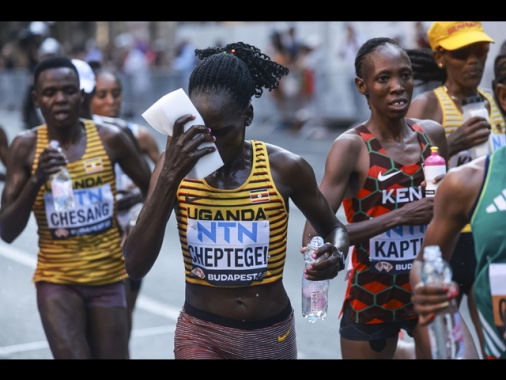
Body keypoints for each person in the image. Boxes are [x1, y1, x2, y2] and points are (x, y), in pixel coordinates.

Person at [122, 42, 350, 360]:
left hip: (272, 334)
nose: (210, 145)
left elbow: (335, 230)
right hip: (201, 333)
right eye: (201, 132)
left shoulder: (285, 167)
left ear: (248, 115)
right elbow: (134, 265)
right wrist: (169, 178)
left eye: (222, 133)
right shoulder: (173, 166)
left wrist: (335, 255)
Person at [301, 37, 449, 359]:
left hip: (427, 292)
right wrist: (400, 216)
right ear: (362, 86)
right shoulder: (351, 147)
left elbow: (447, 213)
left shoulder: (432, 136)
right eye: (384, 78)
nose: (398, 86)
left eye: (405, 75)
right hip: (372, 298)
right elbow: (315, 234)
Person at [0, 56, 152, 359]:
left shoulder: (112, 139)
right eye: (50, 92)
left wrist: (134, 223)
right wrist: (37, 179)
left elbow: (154, 191)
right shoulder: (25, 147)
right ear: (36, 99)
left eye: (69, 91)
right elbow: (6, 231)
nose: (60, 99)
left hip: (109, 278)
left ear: (81, 95)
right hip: (57, 281)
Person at [406, 21, 506, 357]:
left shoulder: (496, 102)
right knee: (442, 343)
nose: (473, 62)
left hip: (486, 233)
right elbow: (406, 176)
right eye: (462, 54)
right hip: (446, 235)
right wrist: (453, 142)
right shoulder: (428, 106)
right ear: (440, 58)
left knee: (492, 336)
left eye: (479, 51)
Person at [88, 63, 160, 345]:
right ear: (87, 98)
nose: (111, 101)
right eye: (102, 95)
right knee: (93, 327)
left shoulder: (138, 136)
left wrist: (139, 197)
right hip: (94, 241)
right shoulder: (80, 138)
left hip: (130, 241)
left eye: (115, 94)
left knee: (121, 325)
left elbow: (166, 185)